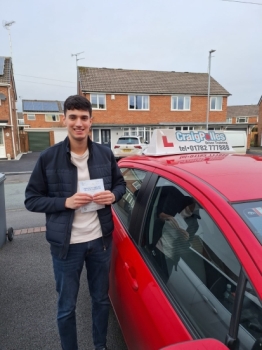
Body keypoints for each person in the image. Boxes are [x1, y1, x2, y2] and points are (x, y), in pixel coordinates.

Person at [24, 95, 126, 350]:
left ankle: (100, 346)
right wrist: (65, 203)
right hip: (66, 246)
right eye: (73, 117)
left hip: (100, 242)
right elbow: (31, 200)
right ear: (64, 120)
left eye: (83, 118)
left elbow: (120, 184)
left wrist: (114, 195)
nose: (78, 123)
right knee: (66, 306)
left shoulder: (104, 154)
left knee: (101, 300)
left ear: (91, 121)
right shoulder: (48, 158)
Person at [154, 194, 200, 279]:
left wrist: (185, 239)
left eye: (200, 205)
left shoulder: (194, 224)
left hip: (169, 259)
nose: (198, 205)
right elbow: (157, 216)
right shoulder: (176, 201)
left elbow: (185, 248)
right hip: (154, 247)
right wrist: (166, 217)